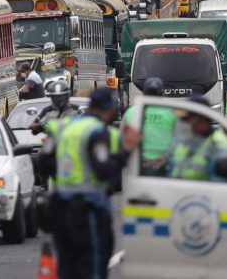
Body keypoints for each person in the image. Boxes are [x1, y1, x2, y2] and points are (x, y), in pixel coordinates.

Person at [37, 88, 141, 279]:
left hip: (60, 208)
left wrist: (67, 172)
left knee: (67, 268)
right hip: (87, 211)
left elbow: (44, 165)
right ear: (109, 109)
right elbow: (103, 171)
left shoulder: (63, 127)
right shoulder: (97, 132)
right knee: (92, 267)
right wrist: (126, 150)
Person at [167, 95, 227, 181]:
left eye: (187, 119)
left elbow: (221, 188)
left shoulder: (218, 145)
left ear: (201, 118)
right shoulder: (185, 142)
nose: (184, 123)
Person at [122, 77, 177, 175]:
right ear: (163, 94)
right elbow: (178, 141)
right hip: (165, 165)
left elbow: (123, 139)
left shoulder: (131, 112)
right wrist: (163, 157)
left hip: (137, 165)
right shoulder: (172, 112)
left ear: (143, 93)